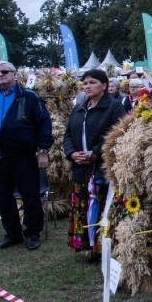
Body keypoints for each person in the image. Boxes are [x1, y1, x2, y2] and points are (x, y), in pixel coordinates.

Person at [0, 61, 53, 250]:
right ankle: (13, 234)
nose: (0, 75)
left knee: (30, 195)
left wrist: (43, 152)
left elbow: (44, 125)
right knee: (2, 197)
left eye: (5, 72)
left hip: (23, 156)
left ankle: (32, 233)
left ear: (15, 75)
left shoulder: (29, 97)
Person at [63, 69, 126, 262]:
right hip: (80, 167)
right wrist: (72, 153)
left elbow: (117, 134)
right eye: (85, 83)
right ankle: (87, 244)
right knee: (84, 204)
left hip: (101, 167)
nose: (87, 86)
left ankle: (102, 248)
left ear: (104, 85)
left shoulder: (114, 107)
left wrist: (95, 153)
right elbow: (67, 135)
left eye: (92, 82)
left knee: (100, 205)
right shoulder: (79, 107)